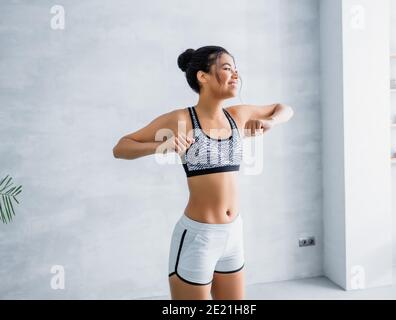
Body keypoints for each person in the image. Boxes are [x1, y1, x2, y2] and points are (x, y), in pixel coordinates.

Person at [112, 45, 294, 300]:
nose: (235, 75)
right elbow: (121, 147)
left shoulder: (237, 116)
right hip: (198, 237)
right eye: (227, 68)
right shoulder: (182, 120)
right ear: (203, 76)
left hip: (234, 234)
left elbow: (284, 108)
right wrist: (160, 146)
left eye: (236, 70)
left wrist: (270, 121)